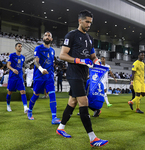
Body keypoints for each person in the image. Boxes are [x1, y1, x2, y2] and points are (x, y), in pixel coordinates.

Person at [56, 10, 108, 147]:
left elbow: (93, 56)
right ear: (80, 21)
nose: (89, 24)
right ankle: (93, 138)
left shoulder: (90, 38)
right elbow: (62, 55)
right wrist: (79, 60)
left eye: (90, 22)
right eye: (87, 22)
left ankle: (60, 128)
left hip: (84, 75)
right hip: (73, 74)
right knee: (83, 102)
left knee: (72, 102)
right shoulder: (71, 35)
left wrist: (97, 62)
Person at [27, 31, 61, 125]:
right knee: (36, 95)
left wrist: (52, 73)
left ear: (51, 39)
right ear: (43, 38)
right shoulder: (38, 48)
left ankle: (54, 117)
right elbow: (36, 61)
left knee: (52, 95)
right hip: (39, 77)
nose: (47, 37)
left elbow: (50, 63)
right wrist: (41, 69)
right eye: (45, 35)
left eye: (49, 36)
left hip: (49, 77)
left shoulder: (52, 51)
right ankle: (30, 111)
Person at [6, 43, 29, 113]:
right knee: (10, 92)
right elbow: (8, 65)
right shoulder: (12, 55)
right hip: (12, 77)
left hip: (19, 77)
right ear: (15, 48)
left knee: (23, 91)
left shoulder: (23, 57)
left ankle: (25, 107)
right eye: (19, 46)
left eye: (21, 46)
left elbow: (20, 66)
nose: (20, 48)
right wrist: (13, 70)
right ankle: (8, 105)